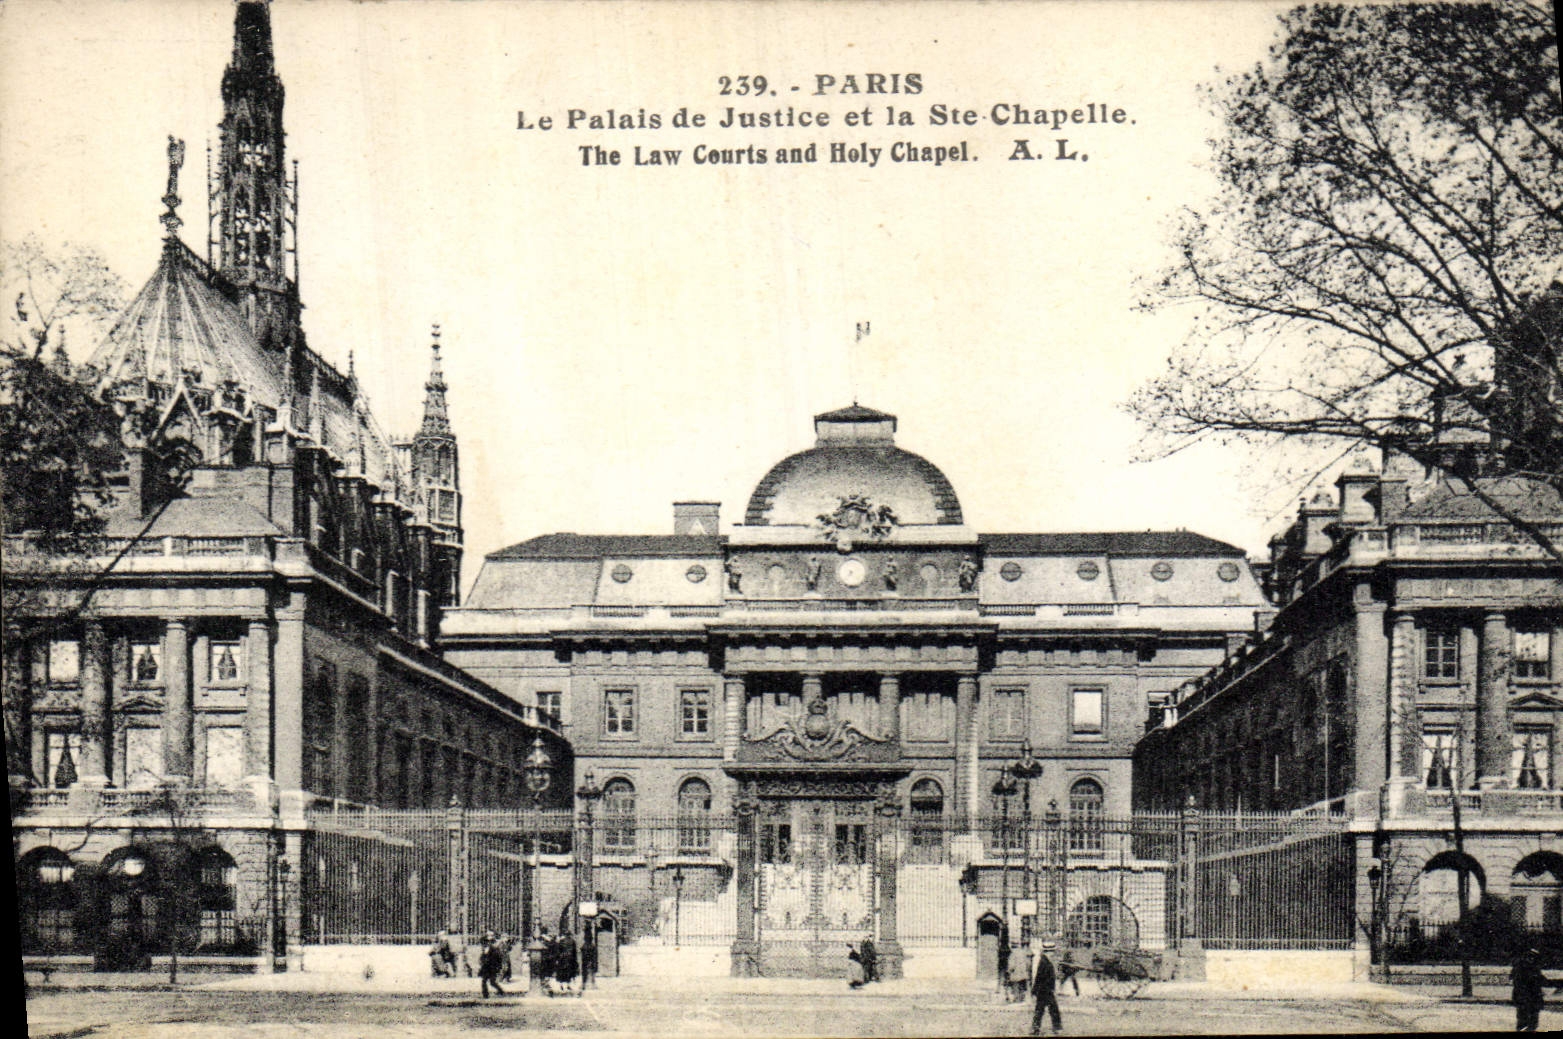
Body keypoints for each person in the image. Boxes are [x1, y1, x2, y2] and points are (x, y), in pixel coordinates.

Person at [1031, 940, 1063, 1035]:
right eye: (1052, 951)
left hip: (1044, 990)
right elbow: (1039, 977)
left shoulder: (1045, 961)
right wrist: (1035, 990)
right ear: (1047, 952)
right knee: (1052, 1009)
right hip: (1045, 990)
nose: (1053, 953)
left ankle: (1036, 1029)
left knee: (1040, 1010)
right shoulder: (1044, 962)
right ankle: (1056, 1028)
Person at [1513, 946, 1546, 1032]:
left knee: (1533, 1022)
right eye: (1529, 957)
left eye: (1533, 957)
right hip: (1524, 997)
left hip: (1533, 998)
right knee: (1523, 1021)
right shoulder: (1520, 968)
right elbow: (1518, 983)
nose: (1531, 959)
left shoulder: (1535, 968)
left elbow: (1541, 980)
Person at [478, 931, 507, 999]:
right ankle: (486, 995)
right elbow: (483, 955)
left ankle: (500, 991)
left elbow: (498, 957)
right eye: (488, 936)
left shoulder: (495, 946)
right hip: (487, 966)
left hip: (492, 966)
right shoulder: (486, 945)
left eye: (491, 935)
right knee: (485, 981)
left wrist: (498, 966)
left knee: (491, 982)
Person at [555, 928, 580, 995]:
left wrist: (557, 959)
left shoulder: (561, 941)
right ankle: (568, 985)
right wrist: (575, 960)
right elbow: (574, 952)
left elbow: (558, 951)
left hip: (562, 959)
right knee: (569, 972)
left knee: (562, 972)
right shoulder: (572, 941)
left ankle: (562, 985)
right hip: (570, 958)